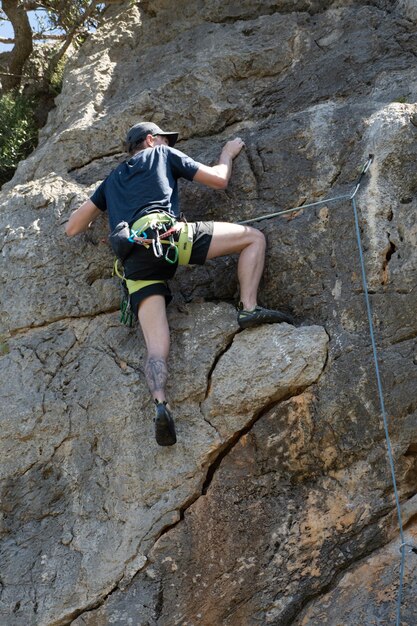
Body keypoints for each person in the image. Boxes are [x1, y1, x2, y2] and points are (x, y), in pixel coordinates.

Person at [66, 121, 293, 447]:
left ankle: (160, 401)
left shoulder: (110, 180)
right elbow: (219, 179)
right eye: (162, 138)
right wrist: (227, 152)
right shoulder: (162, 154)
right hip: (171, 239)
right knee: (253, 238)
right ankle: (249, 307)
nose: (165, 142)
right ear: (150, 139)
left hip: (135, 261)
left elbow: (73, 227)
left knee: (156, 348)